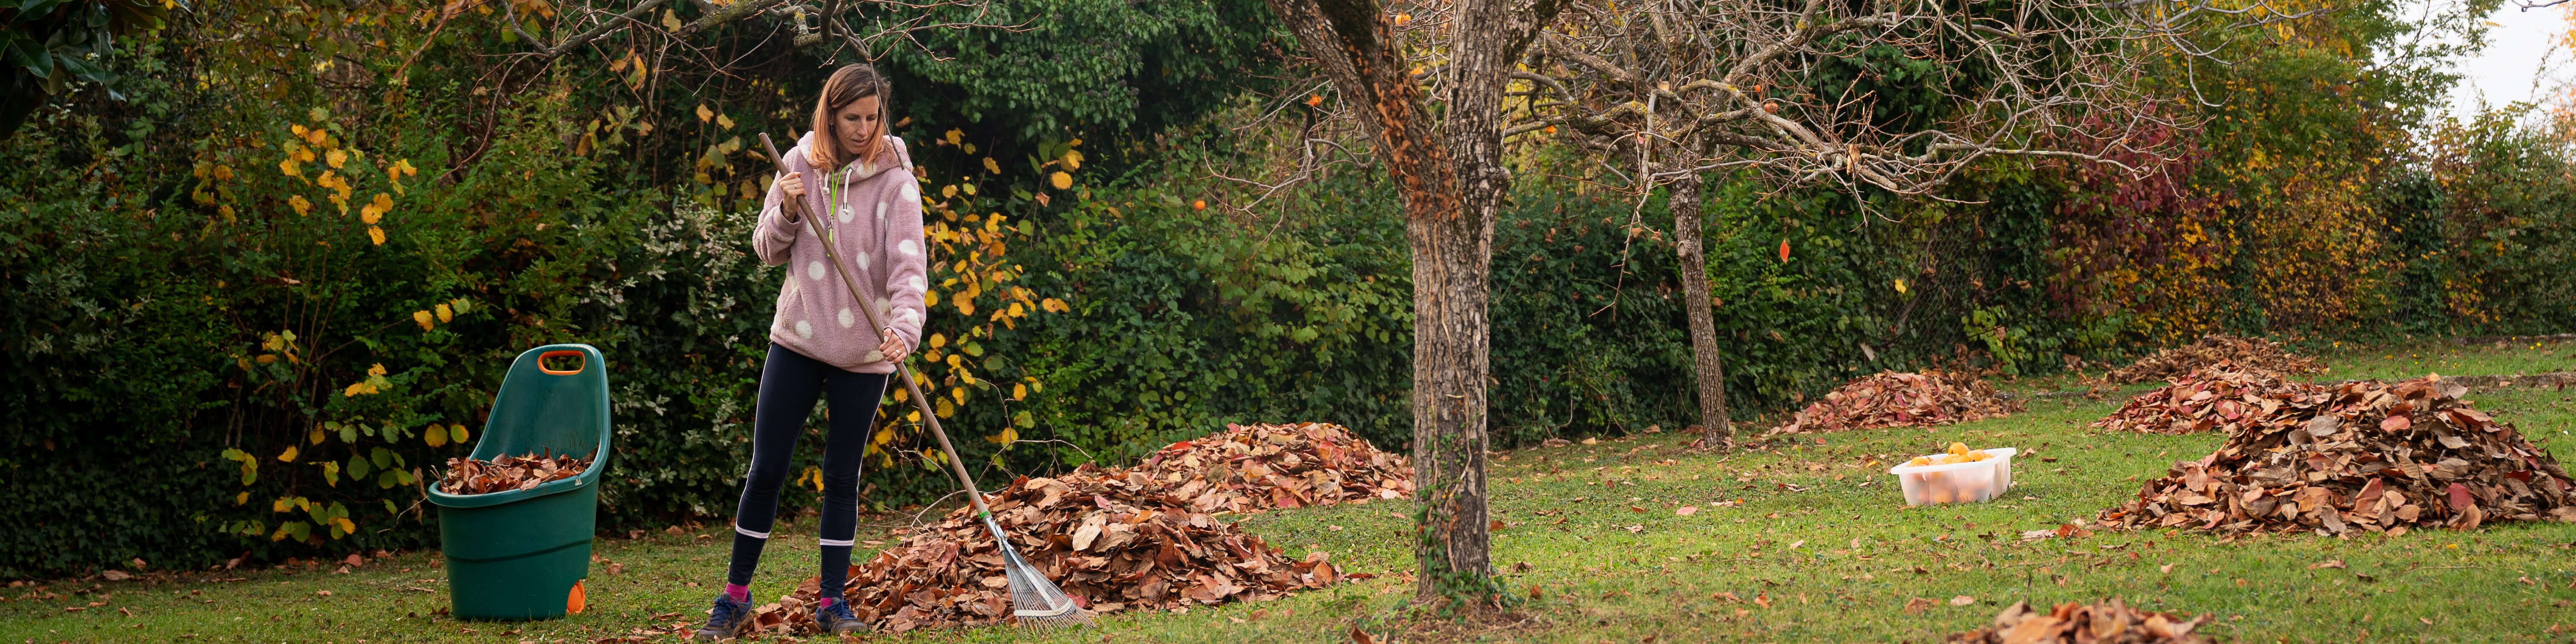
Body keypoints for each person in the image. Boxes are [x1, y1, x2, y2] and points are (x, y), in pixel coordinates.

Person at [696, 63, 929, 641]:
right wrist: (789, 211)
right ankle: (733, 599)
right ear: (829, 114)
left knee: (842, 475)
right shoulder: (797, 165)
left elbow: (908, 269)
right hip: (798, 339)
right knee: (768, 467)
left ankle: (832, 603)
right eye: (852, 118)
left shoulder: (898, 181)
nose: (863, 129)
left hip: (866, 352)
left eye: (873, 118)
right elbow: (765, 249)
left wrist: (906, 326)